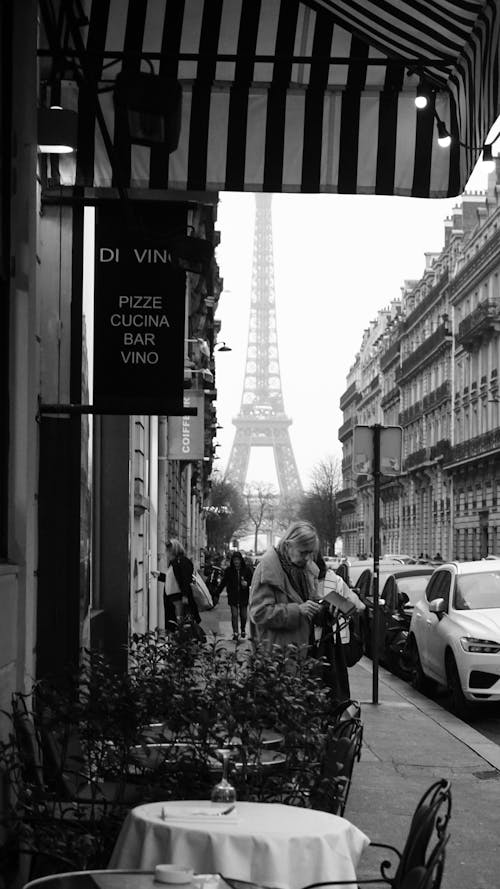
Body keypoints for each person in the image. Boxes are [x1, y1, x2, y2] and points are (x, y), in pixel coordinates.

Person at [248, 521, 321, 656]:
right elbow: (258, 613)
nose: (307, 558)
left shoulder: (308, 571)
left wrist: (324, 608)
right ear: (288, 545)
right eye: (303, 552)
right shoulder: (268, 569)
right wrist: (297, 610)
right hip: (276, 658)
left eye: (310, 552)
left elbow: (310, 606)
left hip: (302, 653)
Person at [313, 553, 366, 701]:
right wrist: (338, 603)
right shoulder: (335, 580)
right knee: (335, 686)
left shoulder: (303, 581)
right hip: (337, 642)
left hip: (318, 642)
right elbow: (358, 606)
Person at [153, 539, 203, 634]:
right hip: (172, 598)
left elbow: (185, 579)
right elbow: (172, 579)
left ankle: (187, 641)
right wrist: (159, 575)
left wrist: (185, 595)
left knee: (181, 623)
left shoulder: (182, 562)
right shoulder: (174, 562)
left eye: (168, 550)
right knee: (175, 622)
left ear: (173, 551)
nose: (166, 553)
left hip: (179, 599)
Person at [215, 550, 254, 641]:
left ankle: (243, 629)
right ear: (232, 561)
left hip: (243, 596)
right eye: (235, 560)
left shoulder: (246, 570)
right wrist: (217, 593)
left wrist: (247, 583)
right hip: (232, 596)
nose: (236, 562)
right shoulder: (229, 570)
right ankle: (236, 632)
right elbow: (224, 582)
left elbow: (252, 580)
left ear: (241, 560)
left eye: (238, 560)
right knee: (234, 615)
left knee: (244, 615)